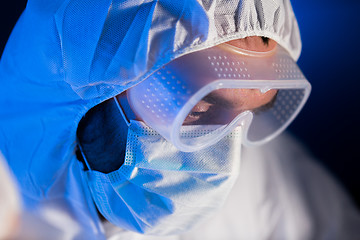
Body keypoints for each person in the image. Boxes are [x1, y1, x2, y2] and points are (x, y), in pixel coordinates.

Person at [0, 0, 359, 239]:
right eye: (199, 108)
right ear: (92, 88)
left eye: (249, 114)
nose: (226, 162)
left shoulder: (271, 179)